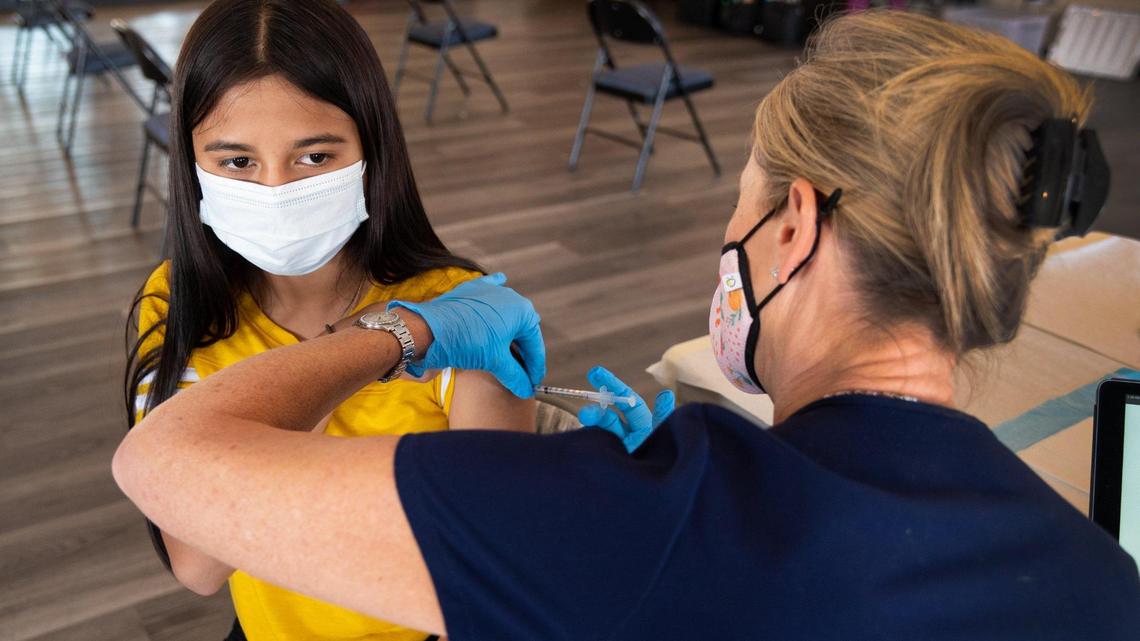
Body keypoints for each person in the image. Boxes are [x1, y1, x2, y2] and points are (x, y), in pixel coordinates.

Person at [114, 10, 1140, 640]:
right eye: (236, 160)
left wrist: (406, 333)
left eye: (740, 199)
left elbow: (169, 466)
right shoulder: (1105, 580)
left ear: (794, 227)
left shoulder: (636, 520)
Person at [122, 1, 534, 640]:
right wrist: (379, 344)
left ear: (372, 145)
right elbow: (200, 566)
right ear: (191, 163)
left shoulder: (464, 314)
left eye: (314, 157)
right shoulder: (179, 304)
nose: (277, 190)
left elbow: (491, 563)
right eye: (237, 162)